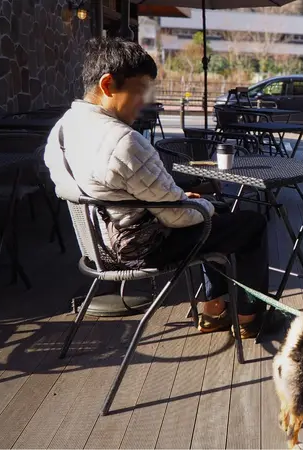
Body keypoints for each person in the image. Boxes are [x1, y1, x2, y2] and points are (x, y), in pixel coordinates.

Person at [44, 37, 267, 338]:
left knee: (213, 214)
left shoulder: (62, 128)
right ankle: (249, 318)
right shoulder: (123, 140)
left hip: (99, 242)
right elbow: (178, 218)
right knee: (249, 222)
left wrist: (184, 201)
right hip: (141, 246)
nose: (145, 101)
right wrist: (201, 205)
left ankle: (215, 310)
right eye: (140, 91)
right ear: (108, 85)